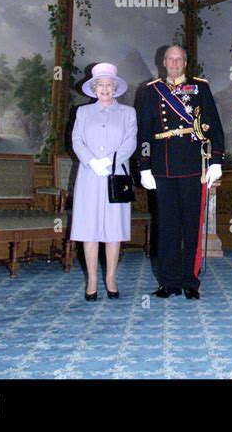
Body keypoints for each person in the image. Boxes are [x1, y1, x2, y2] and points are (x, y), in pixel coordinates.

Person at [139, 45, 224, 299]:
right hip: (162, 166)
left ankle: (190, 280)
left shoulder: (200, 87)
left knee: (191, 225)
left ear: (185, 63)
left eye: (179, 59)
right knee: (166, 227)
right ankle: (169, 281)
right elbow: (144, 131)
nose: (175, 63)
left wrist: (216, 161)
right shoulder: (152, 90)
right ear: (163, 62)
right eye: (170, 59)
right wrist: (144, 166)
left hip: (192, 165)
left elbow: (214, 125)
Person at [70, 63, 137, 301]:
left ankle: (110, 278)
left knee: (113, 230)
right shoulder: (83, 113)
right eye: (101, 85)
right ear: (94, 88)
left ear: (116, 88)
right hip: (90, 176)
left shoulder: (128, 113)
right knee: (89, 230)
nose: (105, 89)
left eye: (109, 85)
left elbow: (130, 142)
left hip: (116, 175)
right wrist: (92, 162)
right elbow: (77, 141)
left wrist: (110, 161)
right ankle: (92, 280)